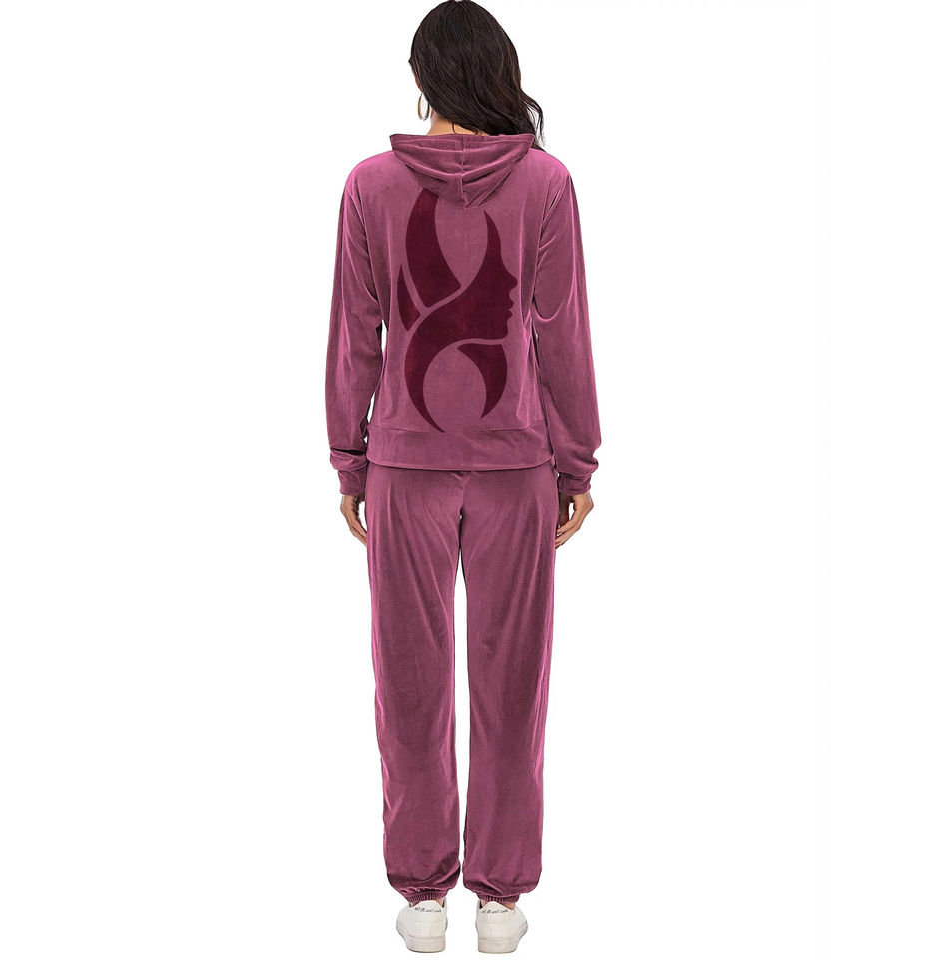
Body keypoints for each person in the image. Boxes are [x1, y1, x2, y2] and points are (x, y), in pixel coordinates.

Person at [324, 1, 601, 952]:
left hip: (404, 466)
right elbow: (563, 332)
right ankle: (501, 899)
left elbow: (354, 331)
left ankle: (423, 895)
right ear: (497, 74)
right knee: (512, 681)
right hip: (516, 467)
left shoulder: (368, 185)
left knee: (407, 678)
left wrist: (349, 456)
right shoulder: (546, 182)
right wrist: (577, 460)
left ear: (422, 80)